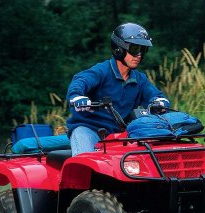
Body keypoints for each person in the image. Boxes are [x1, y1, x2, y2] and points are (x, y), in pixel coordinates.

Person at [66, 22, 170, 156]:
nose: (139, 55)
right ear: (119, 49)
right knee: (85, 161)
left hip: (118, 134)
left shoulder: (140, 79)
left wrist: (160, 102)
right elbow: (80, 81)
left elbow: (155, 95)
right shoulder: (101, 71)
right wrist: (77, 96)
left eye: (142, 50)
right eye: (134, 49)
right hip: (88, 129)